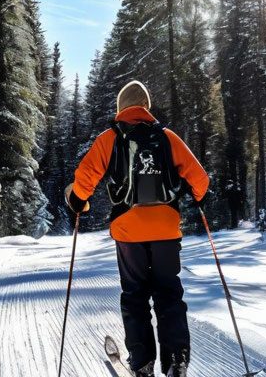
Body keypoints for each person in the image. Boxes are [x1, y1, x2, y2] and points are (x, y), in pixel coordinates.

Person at [66, 80, 210, 377]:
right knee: (169, 295)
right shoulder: (167, 137)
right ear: (146, 107)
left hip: (129, 232)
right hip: (167, 231)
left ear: (121, 108)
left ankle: (142, 364)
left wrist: (78, 201)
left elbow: (85, 177)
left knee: (135, 296)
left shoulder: (111, 138)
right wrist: (198, 198)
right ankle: (177, 361)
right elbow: (201, 179)